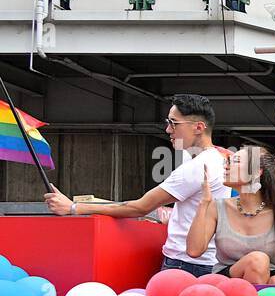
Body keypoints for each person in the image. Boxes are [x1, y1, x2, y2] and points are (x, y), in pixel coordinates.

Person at [43, 94, 229, 276]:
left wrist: (73, 207)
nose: (168, 130)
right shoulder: (217, 158)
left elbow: (140, 207)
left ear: (198, 127)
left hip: (185, 265)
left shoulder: (196, 167)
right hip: (206, 262)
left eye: (174, 123)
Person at [188, 145, 275, 284]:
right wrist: (203, 203)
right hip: (228, 277)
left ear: (257, 172)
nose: (226, 166)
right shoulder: (217, 206)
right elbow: (194, 250)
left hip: (273, 276)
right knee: (257, 261)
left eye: (235, 161)